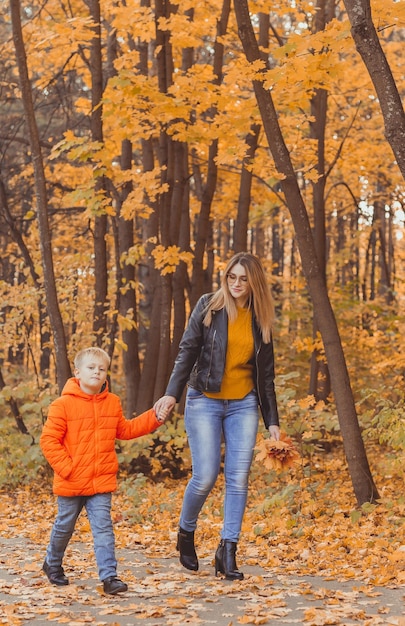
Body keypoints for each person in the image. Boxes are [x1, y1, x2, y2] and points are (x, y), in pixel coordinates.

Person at [154, 252, 280, 581]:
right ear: (225, 278)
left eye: (243, 279)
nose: (237, 284)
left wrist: (273, 424)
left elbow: (266, 377)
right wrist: (171, 393)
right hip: (204, 400)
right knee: (206, 476)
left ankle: (228, 551)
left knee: (238, 480)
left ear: (254, 282)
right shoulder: (209, 306)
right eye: (231, 277)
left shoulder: (261, 318)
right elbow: (187, 350)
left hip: (243, 404)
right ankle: (186, 532)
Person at [40, 346, 167, 595]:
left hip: (100, 482)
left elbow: (126, 429)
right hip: (72, 481)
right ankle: (52, 563)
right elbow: (49, 441)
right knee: (64, 526)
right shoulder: (62, 405)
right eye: (91, 368)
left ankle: (109, 577)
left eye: (101, 369)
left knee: (103, 528)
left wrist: (155, 417)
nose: (97, 372)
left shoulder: (112, 403)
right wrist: (68, 468)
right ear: (77, 372)